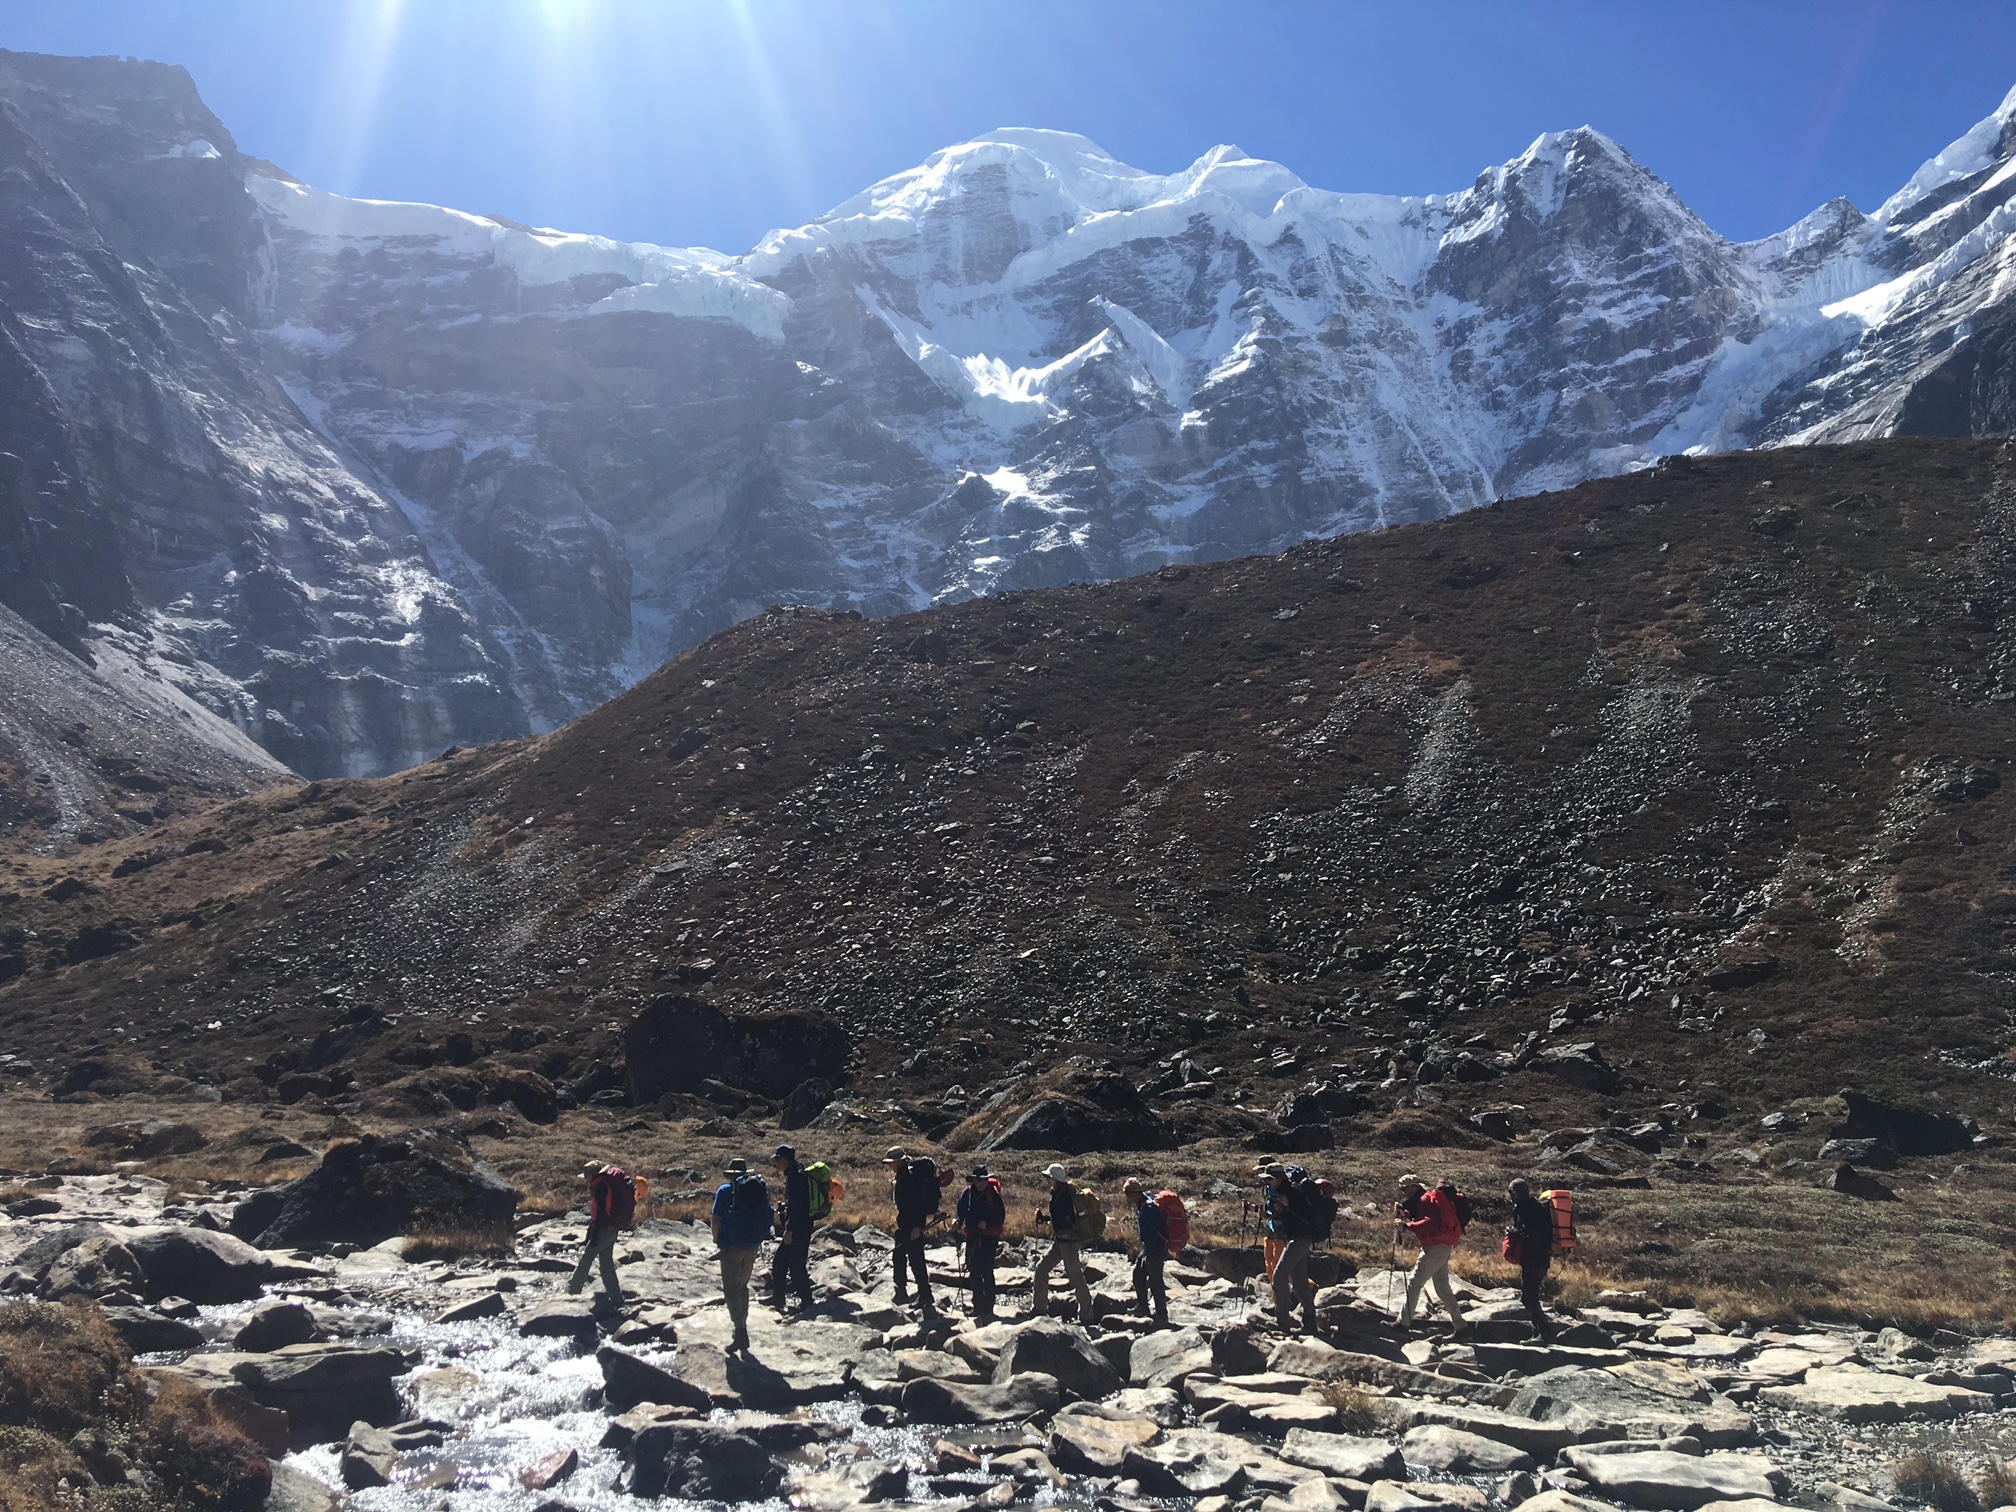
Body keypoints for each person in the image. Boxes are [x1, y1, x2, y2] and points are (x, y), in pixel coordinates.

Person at [711, 1157, 772, 1353]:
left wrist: (716, 1239)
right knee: (742, 1286)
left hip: (731, 1245)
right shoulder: (756, 1190)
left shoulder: (725, 1191)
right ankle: (741, 1326)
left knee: (730, 1290)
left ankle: (740, 1331)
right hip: (752, 1245)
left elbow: (716, 1218)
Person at [1395, 1173, 1469, 1334]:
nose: (1403, 1192)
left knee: (1414, 1283)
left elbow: (1430, 1222)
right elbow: (1428, 1218)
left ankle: (1403, 1324)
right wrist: (1407, 1216)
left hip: (1435, 1247)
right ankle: (1461, 1327)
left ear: (1413, 1187)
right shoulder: (1427, 1198)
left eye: (1404, 1189)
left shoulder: (1423, 1200)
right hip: (1443, 1246)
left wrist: (1406, 1226)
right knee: (1442, 1289)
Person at [1032, 1162, 1096, 1321]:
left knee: (1075, 1277)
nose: (1047, 1179)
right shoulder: (1057, 1192)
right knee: (1041, 1269)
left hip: (1069, 1243)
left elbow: (1065, 1219)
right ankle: (1039, 1308)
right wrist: (1046, 1219)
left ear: (1055, 1179)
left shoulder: (1066, 1195)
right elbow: (1060, 1218)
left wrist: (1048, 1220)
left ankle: (1087, 1316)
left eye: (1049, 1177)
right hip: (1061, 1241)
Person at [1259, 1161, 1318, 1334]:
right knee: (1299, 1281)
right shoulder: (1292, 1191)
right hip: (1300, 1239)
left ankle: (1282, 1320)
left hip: (1297, 1240)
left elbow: (1290, 1214)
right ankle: (1310, 1323)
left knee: (1279, 1275)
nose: (1268, 1182)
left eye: (1269, 1179)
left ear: (1277, 1179)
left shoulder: (1287, 1193)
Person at [886, 1146, 946, 1314]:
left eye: (891, 1162)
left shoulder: (908, 1178)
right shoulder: (904, 1176)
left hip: (911, 1225)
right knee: (900, 1255)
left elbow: (915, 1205)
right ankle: (902, 1291)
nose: (889, 1166)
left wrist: (917, 1227)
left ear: (899, 1161)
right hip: (906, 1224)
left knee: (916, 1260)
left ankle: (924, 1294)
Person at [566, 1160, 627, 1304]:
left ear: (591, 1176)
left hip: (604, 1229)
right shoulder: (606, 1183)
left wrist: (593, 1235)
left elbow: (601, 1214)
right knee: (606, 1264)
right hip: (612, 1228)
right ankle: (616, 1298)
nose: (585, 1180)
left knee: (586, 1260)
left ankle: (572, 1294)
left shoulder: (600, 1187)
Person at [1506, 1177, 1555, 1342]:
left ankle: (1545, 1333)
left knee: (1529, 1298)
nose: (1510, 1195)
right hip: (1538, 1259)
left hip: (1535, 1259)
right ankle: (1539, 1333)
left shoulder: (1528, 1210)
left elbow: (1533, 1236)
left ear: (1517, 1193)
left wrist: (1515, 1233)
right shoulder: (1534, 1208)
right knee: (1530, 1296)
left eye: (1511, 1192)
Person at [768, 1143, 816, 1313]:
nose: (776, 1163)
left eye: (778, 1159)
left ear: (786, 1160)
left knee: (791, 1264)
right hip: (803, 1225)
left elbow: (797, 1208)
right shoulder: (798, 1173)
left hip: (798, 1228)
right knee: (787, 1262)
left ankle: (804, 1302)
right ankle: (783, 1299)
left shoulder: (795, 1177)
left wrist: (789, 1230)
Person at [953, 1164, 1005, 1321]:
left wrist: (987, 1225)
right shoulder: (967, 1194)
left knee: (986, 1271)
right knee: (973, 1269)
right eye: (978, 1180)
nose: (980, 1183)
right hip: (972, 1235)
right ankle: (977, 1305)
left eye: (983, 1180)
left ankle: (988, 1307)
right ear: (974, 1180)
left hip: (989, 1238)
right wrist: (958, 1221)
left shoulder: (994, 1195)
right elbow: (961, 1212)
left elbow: (1000, 1217)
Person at [1123, 1178, 1169, 1324]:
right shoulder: (1143, 1203)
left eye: (1128, 1195)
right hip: (1149, 1248)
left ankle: (1162, 1315)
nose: (1127, 1198)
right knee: (1138, 1275)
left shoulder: (1148, 1208)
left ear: (1135, 1193)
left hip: (1155, 1249)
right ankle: (1143, 1307)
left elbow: (1151, 1233)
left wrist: (1150, 1251)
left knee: (1155, 1282)